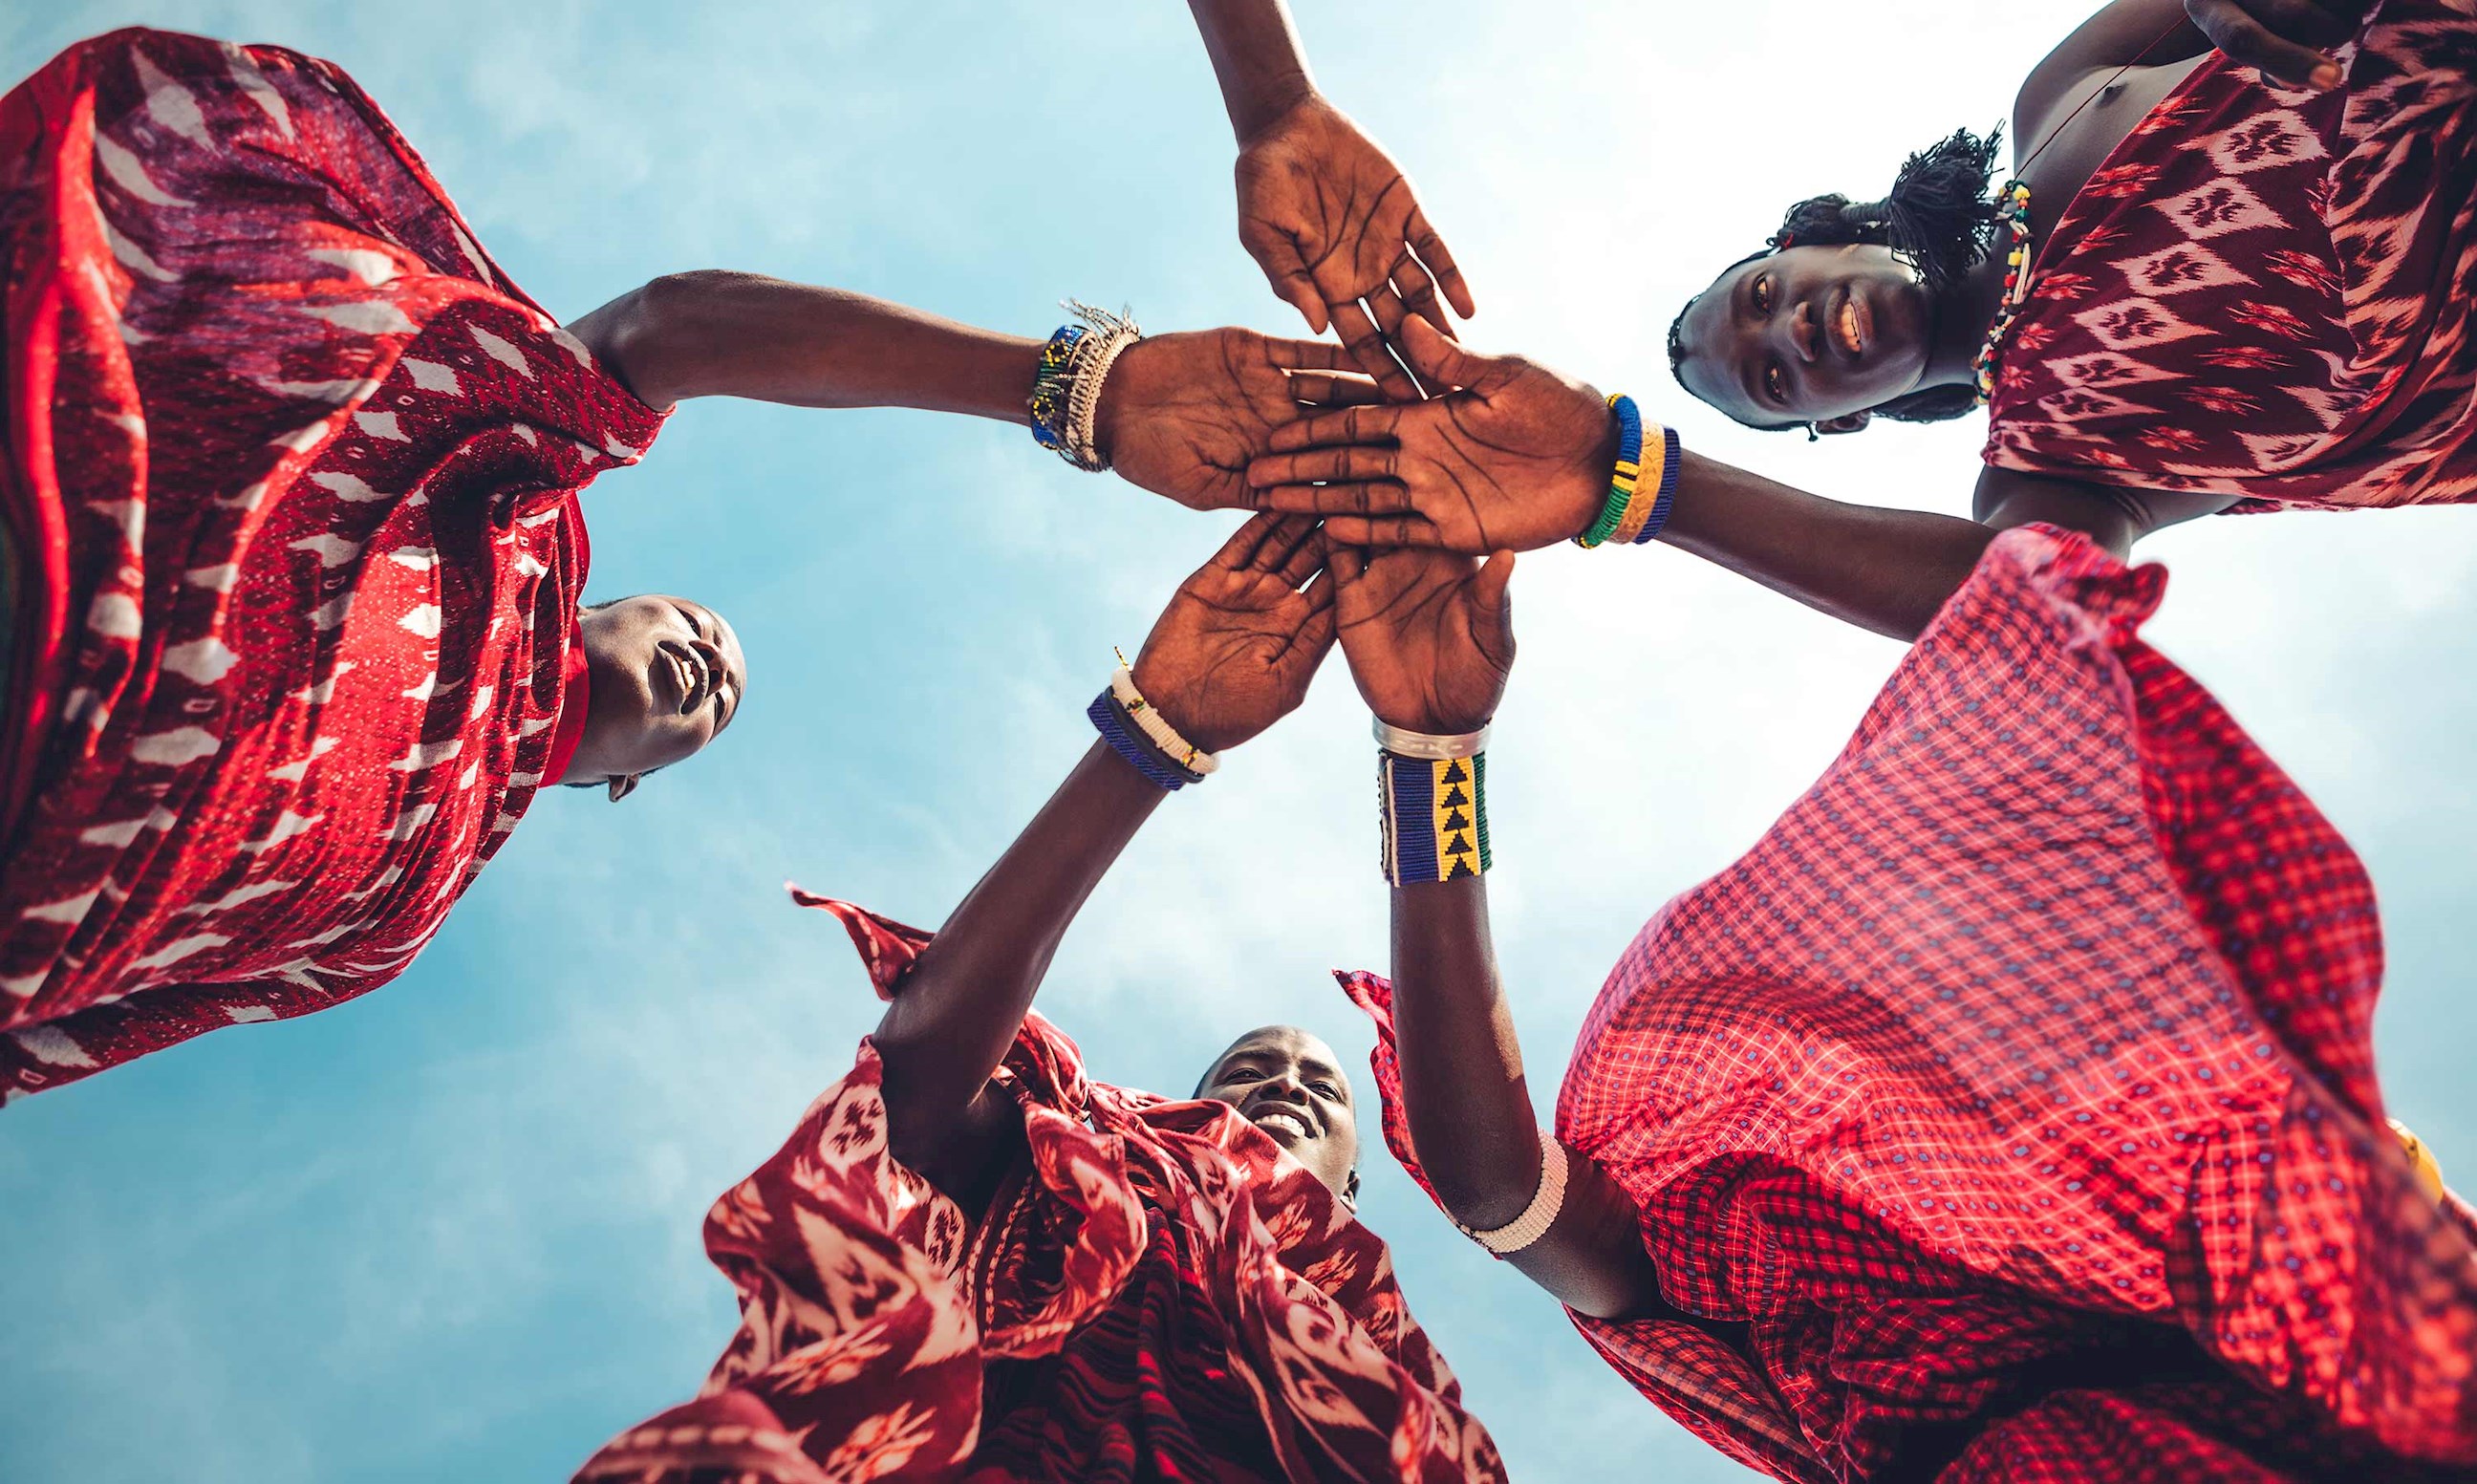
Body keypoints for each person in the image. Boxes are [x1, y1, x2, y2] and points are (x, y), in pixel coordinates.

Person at [0, 16, 1425, 1100]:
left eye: (721, 694)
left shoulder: (396, 923)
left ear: (629, 779)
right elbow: (658, 332)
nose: (712, 661)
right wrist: (1090, 391)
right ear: (603, 602)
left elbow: (104, 1005)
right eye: (693, 626)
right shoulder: (512, 520)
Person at [1306, 528, 2477, 1479]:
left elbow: (2015, 600)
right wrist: (1430, 754)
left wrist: (1640, 478)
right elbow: (1501, 1191)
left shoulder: (2246, 1177)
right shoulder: (1764, 1237)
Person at [572, 515, 1504, 1483]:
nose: (1288, 1083)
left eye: (1321, 1081)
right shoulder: (1083, 1180)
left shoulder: (1383, 1347)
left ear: (1353, 1184)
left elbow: (1501, 1185)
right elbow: (914, 1082)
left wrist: (1433, 749)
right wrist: (1156, 736)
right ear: (1178, 1115)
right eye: (1247, 1070)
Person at [1243, 0, 2477, 641]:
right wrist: (1625, 482)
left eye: (1763, 296)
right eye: (1774, 381)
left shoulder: (2055, 100)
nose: (1785, 334)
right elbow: (2000, 601)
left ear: (1819, 232)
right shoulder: (2056, 467)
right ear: (1854, 418)